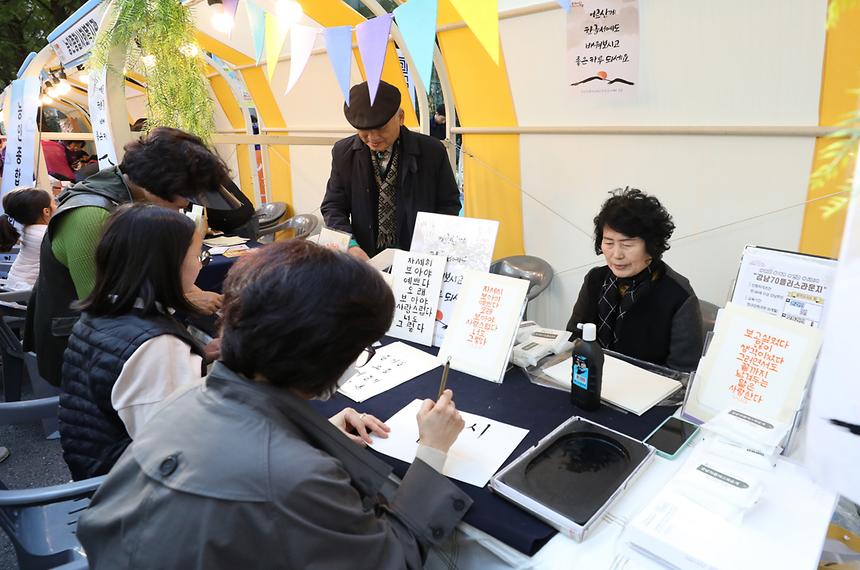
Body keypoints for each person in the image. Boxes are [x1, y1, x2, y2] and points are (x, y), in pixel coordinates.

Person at [77, 240, 472, 568]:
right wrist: (432, 451)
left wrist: (310, 435)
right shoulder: (298, 477)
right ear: (327, 355)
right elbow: (393, 559)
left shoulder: (186, 398)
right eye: (361, 349)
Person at [25, 127, 238, 386]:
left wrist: (189, 294)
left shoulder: (125, 196)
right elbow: (105, 309)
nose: (184, 208)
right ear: (159, 185)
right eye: (183, 201)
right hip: (79, 356)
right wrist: (184, 301)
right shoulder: (90, 217)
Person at [59, 204, 211, 480]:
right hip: (129, 489)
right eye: (197, 254)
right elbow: (173, 455)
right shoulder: (157, 347)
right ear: (168, 263)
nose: (200, 264)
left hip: (97, 462)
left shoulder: (104, 310)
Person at [566, 187, 704, 372]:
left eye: (627, 244)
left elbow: (683, 372)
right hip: (589, 380)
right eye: (608, 243)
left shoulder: (678, 296)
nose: (616, 255)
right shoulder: (595, 280)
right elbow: (573, 338)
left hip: (648, 394)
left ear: (652, 245)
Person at [321, 80, 460, 260]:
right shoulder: (344, 153)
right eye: (363, 130)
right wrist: (350, 245)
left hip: (418, 256)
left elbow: (448, 204)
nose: (373, 138)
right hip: (364, 255)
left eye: (380, 128)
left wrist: (430, 247)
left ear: (400, 117)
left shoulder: (432, 151)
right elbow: (333, 206)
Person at [0, 188, 55, 289]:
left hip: (14, 285)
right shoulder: (46, 234)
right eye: (54, 203)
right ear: (46, 211)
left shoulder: (26, 229)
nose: (57, 206)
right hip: (28, 291)